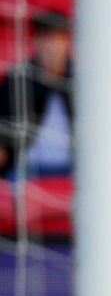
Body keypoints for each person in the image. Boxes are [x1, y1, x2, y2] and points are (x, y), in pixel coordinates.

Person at [0, 11, 73, 179]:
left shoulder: (80, 80)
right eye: (46, 38)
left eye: (58, 38)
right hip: (27, 171)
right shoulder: (18, 78)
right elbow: (5, 124)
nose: (52, 46)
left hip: (74, 169)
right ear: (36, 42)